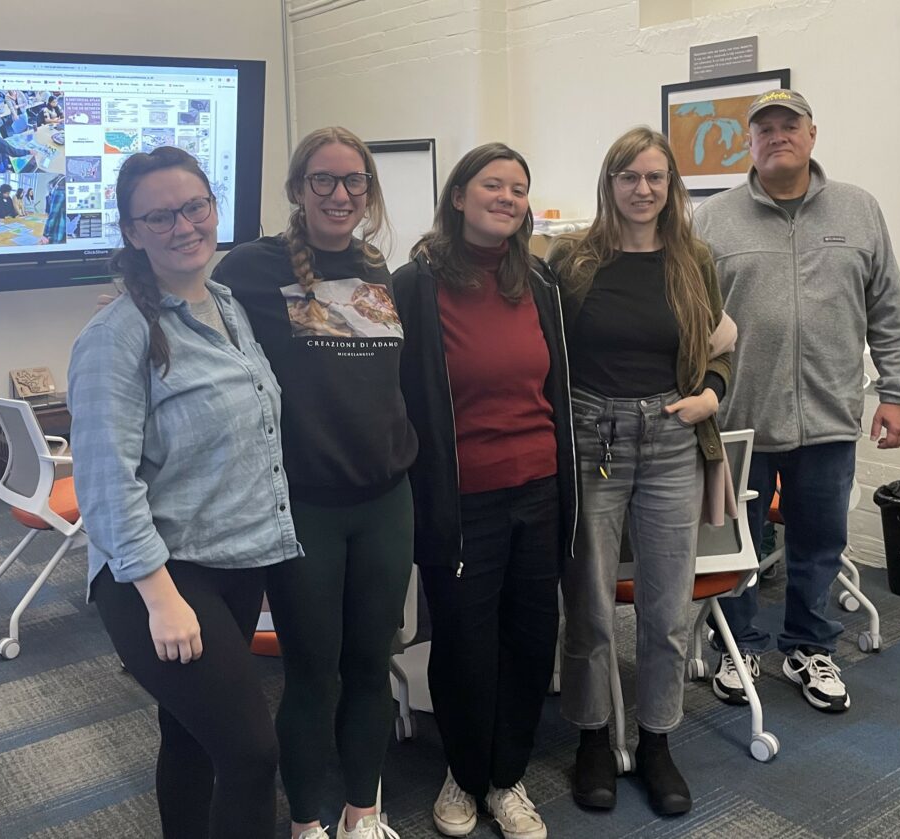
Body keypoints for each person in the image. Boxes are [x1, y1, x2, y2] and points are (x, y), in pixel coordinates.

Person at [67, 146, 302, 839]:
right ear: (132, 231)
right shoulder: (115, 336)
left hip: (234, 557)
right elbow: (105, 485)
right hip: (159, 575)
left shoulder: (226, 305)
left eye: (194, 207)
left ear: (213, 208)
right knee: (252, 755)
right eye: (159, 216)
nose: (183, 225)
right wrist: (161, 598)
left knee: (192, 736)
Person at [212, 126, 417, 839]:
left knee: (370, 664)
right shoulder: (251, 268)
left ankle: (364, 812)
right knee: (312, 674)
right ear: (298, 189)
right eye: (323, 180)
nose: (339, 194)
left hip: (386, 501)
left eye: (353, 181)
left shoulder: (377, 267)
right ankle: (305, 823)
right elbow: (190, 317)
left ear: (368, 190)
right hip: (305, 509)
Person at [693, 89, 900, 713]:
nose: (777, 135)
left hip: (828, 419)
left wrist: (895, 393)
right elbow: (688, 317)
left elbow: (889, 309)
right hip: (738, 420)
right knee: (735, 543)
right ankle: (737, 645)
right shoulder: (712, 219)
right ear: (749, 142)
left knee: (819, 544)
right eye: (764, 128)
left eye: (789, 125)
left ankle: (810, 647)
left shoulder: (859, 209)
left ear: (812, 134)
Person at [392, 142, 575, 839]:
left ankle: (507, 777)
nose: (507, 198)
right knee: (465, 644)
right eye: (493, 185)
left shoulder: (540, 281)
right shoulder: (416, 284)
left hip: (540, 491)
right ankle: (464, 773)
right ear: (459, 195)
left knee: (531, 638)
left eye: (518, 189)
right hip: (462, 498)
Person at [548, 127, 731, 817]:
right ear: (610, 183)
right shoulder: (572, 260)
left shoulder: (693, 259)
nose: (643, 189)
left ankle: (656, 739)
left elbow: (720, 343)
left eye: (656, 177)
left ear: (672, 185)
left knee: (666, 605)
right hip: (590, 434)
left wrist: (713, 391)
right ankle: (593, 737)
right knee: (590, 603)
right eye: (629, 176)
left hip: (671, 437)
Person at [40, 176, 66, 244]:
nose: (50, 191)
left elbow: (53, 215)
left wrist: (45, 234)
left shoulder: (59, 191)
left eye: (50, 188)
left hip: (58, 233)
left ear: (55, 186)